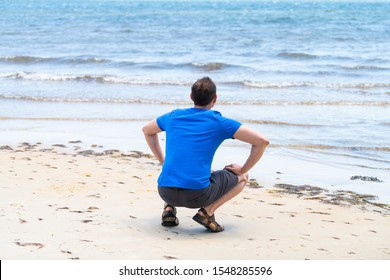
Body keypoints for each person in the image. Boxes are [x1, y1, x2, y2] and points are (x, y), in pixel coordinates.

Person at [142, 77, 269, 232]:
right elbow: (262, 141)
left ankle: (169, 209)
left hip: (165, 192)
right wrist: (242, 170)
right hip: (197, 195)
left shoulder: (173, 116)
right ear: (214, 99)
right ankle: (207, 212)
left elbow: (147, 131)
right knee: (243, 177)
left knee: (177, 164)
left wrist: (162, 160)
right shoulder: (219, 122)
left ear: (191, 96)